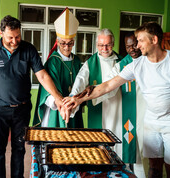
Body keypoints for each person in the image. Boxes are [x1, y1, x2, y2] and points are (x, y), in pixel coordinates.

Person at [63, 22, 170, 178]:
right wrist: (77, 100)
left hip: (168, 121)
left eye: (140, 40)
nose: (137, 46)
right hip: (151, 121)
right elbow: (107, 86)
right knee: (154, 166)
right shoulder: (136, 64)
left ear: (154, 40)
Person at [0, 15, 63, 178]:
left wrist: (58, 97)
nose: (15, 40)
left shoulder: (28, 49)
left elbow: (43, 76)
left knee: (19, 149)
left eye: (18, 36)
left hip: (22, 109)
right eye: (10, 37)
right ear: (1, 33)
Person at [87, 32, 146, 177]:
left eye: (134, 45)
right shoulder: (122, 65)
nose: (132, 49)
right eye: (128, 46)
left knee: (145, 153)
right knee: (127, 149)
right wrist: (92, 90)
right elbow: (108, 84)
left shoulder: (149, 60)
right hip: (129, 114)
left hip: (146, 112)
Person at [32, 8, 83, 128]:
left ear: (74, 42)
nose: (66, 47)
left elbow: (81, 83)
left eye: (70, 43)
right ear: (57, 42)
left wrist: (75, 101)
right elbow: (48, 92)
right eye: (63, 43)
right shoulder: (52, 62)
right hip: (56, 110)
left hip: (74, 107)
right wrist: (61, 104)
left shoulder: (77, 61)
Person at [69, 28, 123, 128]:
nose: (105, 49)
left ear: (113, 44)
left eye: (108, 45)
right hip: (98, 107)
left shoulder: (122, 62)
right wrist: (73, 97)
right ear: (97, 45)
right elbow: (80, 80)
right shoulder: (90, 63)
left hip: (118, 107)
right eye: (101, 45)